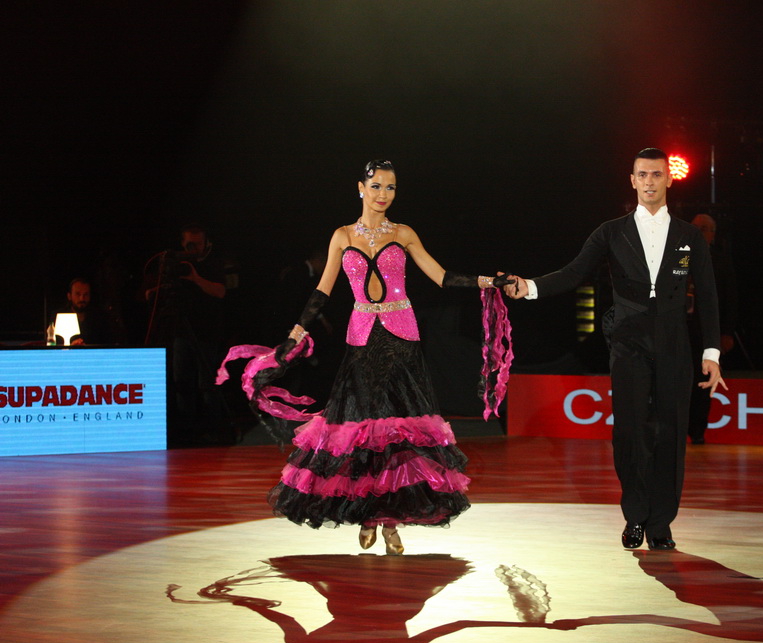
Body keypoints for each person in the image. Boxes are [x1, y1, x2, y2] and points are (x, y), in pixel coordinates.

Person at [218, 160, 513, 555]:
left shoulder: (404, 233)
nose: (383, 194)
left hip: (402, 338)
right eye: (376, 186)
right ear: (361, 187)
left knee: (398, 432)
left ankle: (388, 520)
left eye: (391, 187)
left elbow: (441, 276)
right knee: (364, 432)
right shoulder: (342, 236)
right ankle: (371, 514)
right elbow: (322, 292)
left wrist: (490, 281)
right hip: (361, 339)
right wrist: (294, 334)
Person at [506, 148, 726, 551]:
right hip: (629, 343)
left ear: (668, 179)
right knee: (630, 431)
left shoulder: (689, 236)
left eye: (656, 174)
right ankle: (635, 516)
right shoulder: (611, 232)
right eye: (642, 174)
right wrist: (531, 287)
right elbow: (574, 272)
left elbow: (709, 295)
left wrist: (711, 353)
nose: (649, 182)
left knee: (671, 433)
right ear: (632, 180)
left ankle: (661, 524)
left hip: (675, 344)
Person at [145, 224, 234, 447]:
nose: (193, 248)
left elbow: (220, 291)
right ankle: (187, 431)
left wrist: (195, 278)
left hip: (207, 332)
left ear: (207, 242)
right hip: (181, 330)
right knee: (182, 381)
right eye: (189, 244)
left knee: (207, 383)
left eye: (198, 243)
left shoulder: (214, 262)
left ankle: (213, 431)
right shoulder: (178, 263)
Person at [687, 213, 739, 444]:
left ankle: (697, 431)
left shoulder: (720, 261)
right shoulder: (675, 256)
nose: (698, 233)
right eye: (695, 228)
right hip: (678, 329)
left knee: (703, 379)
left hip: (706, 331)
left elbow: (730, 298)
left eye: (704, 229)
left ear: (712, 235)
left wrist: (727, 332)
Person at [49, 278, 116, 345]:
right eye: (78, 294)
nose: (82, 298)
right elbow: (52, 343)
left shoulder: (99, 317)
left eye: (86, 294)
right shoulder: (59, 316)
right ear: (69, 296)